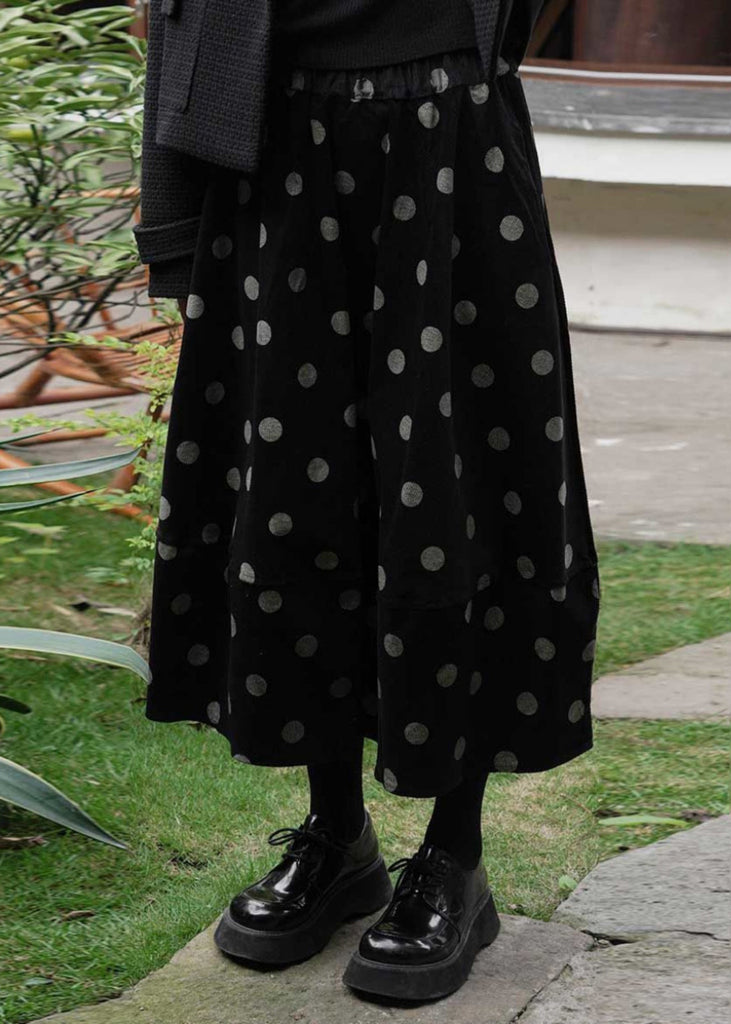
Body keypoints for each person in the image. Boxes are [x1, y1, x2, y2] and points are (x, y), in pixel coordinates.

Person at [133, 0, 601, 1002]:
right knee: (292, 506)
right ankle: (338, 836)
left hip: (450, 136)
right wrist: (170, 216)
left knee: (457, 494)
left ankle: (455, 857)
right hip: (273, 148)